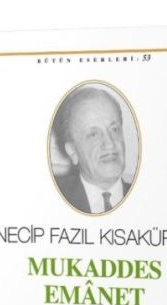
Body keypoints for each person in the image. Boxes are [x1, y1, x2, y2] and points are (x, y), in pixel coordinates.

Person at [52, 86, 132, 214]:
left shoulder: (149, 196)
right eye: (93, 134)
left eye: (114, 129)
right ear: (73, 151)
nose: (110, 144)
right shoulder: (52, 201)